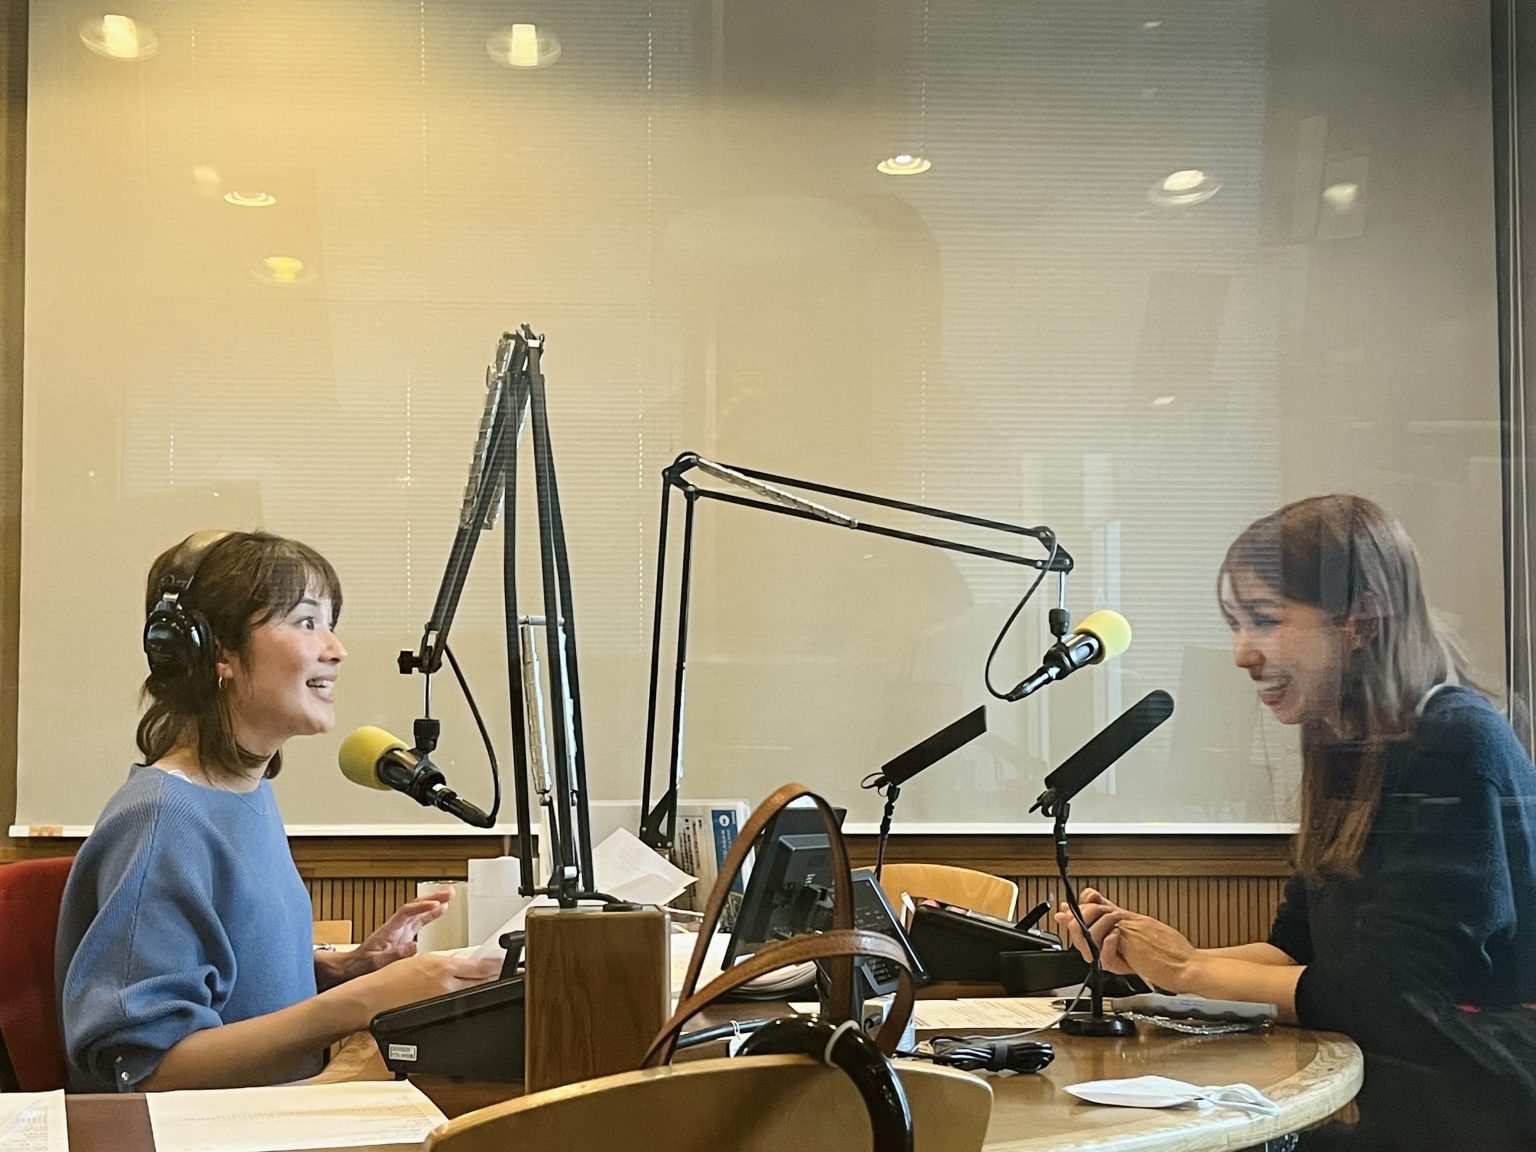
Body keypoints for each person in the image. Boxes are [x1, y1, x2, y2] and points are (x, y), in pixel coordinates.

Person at [1056, 495, 1536, 1150]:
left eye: (1264, 620)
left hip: (1477, 1122)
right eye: (1236, 625)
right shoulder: (1344, 742)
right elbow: (1296, 950)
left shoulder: (1453, 743)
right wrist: (1149, 956)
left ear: (1360, 620)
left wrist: (1188, 972)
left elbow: (1393, 998)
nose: (1240, 654)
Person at [55, 530, 501, 1093]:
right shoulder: (163, 820)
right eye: (307, 621)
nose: (335, 649)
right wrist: (361, 1002)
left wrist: (345, 971)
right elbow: (150, 1073)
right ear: (216, 651)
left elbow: (227, 984)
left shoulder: (244, 794)